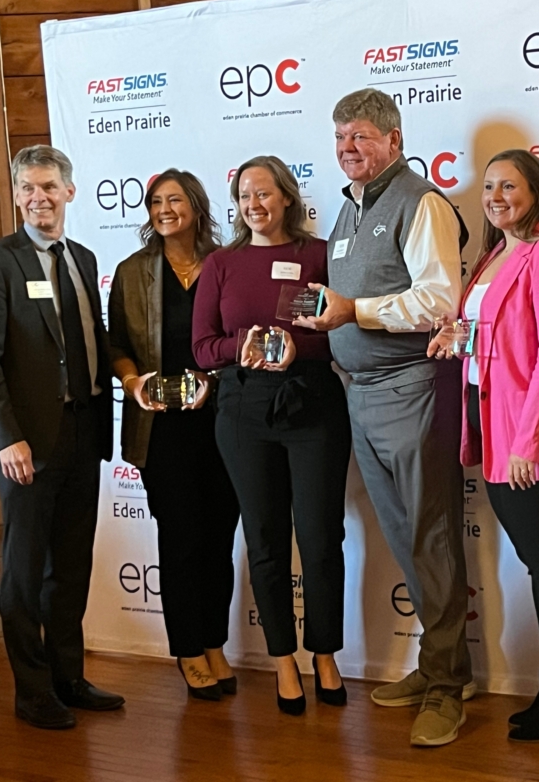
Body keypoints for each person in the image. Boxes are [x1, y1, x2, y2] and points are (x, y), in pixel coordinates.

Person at [294, 88, 473, 747]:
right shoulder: (348, 208)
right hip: (360, 393)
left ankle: (449, 687)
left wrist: (355, 312)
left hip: (412, 387)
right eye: (341, 138)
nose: (348, 148)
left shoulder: (421, 202)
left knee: (431, 535)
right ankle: (438, 664)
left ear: (394, 140)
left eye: (361, 137)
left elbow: (438, 302)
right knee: (404, 537)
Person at [0, 145, 124, 730]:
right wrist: (7, 437)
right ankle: (32, 692)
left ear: (69, 192)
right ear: (16, 196)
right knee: (26, 574)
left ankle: (67, 678)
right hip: (24, 445)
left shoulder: (82, 258)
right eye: (28, 188)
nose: (39, 198)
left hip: (82, 432)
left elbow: (91, 340)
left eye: (49, 187)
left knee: (71, 568)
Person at [439, 149, 539, 742]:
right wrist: (459, 338)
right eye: (489, 187)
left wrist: (529, 442)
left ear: (536, 192)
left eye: (509, 186)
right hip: (497, 433)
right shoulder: (492, 258)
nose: (496, 197)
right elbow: (499, 340)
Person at [192, 156, 351, 717]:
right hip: (244, 410)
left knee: (321, 536)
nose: (253, 205)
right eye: (243, 196)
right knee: (264, 540)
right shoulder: (221, 263)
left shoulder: (320, 255)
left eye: (263, 193)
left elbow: (341, 334)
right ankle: (283, 660)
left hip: (313, 402)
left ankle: (324, 655)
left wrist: (297, 345)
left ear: (286, 196)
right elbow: (203, 347)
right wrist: (244, 346)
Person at [108, 169, 241, 701]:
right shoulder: (132, 271)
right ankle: (188, 649)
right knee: (181, 540)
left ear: (197, 206)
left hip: (223, 422)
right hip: (161, 429)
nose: (165, 209)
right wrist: (133, 382)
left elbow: (240, 340)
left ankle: (214, 642)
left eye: (175, 199)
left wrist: (215, 382)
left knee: (219, 541)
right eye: (156, 201)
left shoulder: (226, 263)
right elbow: (117, 344)